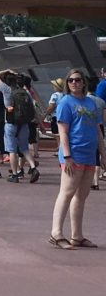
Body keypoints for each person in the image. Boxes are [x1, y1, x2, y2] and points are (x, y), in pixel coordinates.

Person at [49, 69, 105, 249]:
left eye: (78, 80)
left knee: (81, 195)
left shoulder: (91, 103)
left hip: (89, 154)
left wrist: (103, 153)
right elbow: (63, 131)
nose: (74, 83)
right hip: (73, 153)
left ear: (83, 83)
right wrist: (67, 156)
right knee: (67, 192)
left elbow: (98, 131)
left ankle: (77, 235)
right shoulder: (65, 102)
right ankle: (56, 233)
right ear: (67, 83)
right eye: (71, 80)